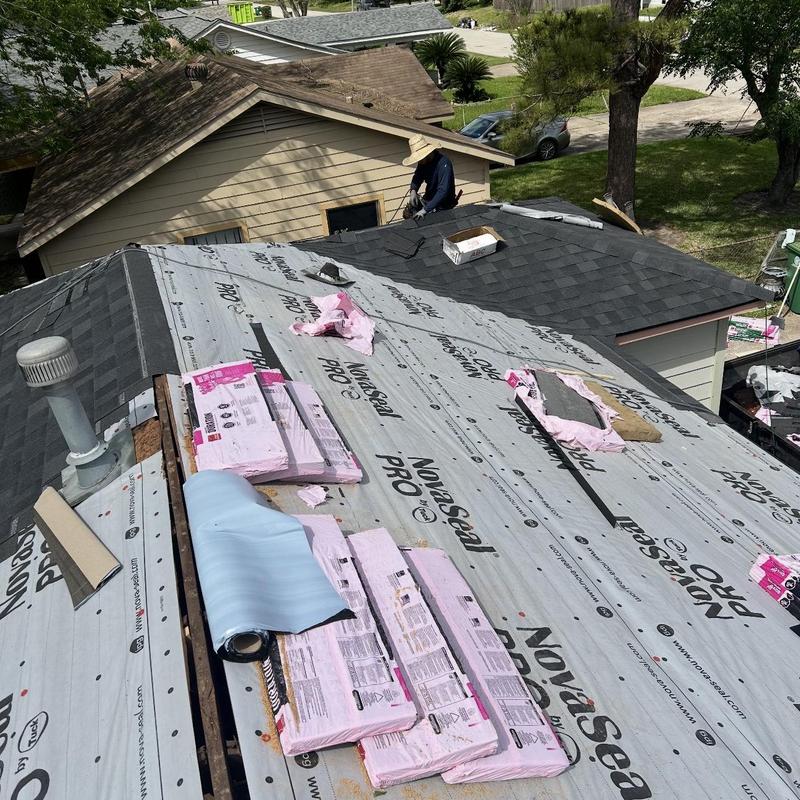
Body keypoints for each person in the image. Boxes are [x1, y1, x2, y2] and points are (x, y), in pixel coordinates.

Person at [403, 135, 457, 220]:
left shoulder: (444, 164)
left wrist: (425, 210)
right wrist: (413, 190)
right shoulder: (423, 162)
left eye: (420, 158)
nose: (419, 161)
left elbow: (443, 191)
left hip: (444, 206)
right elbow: (417, 176)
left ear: (427, 154)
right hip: (429, 200)